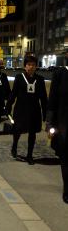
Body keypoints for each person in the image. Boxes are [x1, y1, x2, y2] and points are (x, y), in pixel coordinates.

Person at [6, 55, 47, 165]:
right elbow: (13, 93)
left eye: (33, 65)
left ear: (36, 67)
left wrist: (45, 113)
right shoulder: (19, 77)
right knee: (18, 130)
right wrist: (8, 106)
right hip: (20, 110)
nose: (31, 67)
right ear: (25, 66)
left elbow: (43, 98)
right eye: (29, 65)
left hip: (34, 111)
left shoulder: (40, 79)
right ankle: (14, 145)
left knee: (32, 133)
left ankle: (30, 155)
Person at [46, 51, 68, 203]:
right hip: (63, 122)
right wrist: (49, 123)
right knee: (65, 157)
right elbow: (52, 99)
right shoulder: (60, 74)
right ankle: (67, 189)